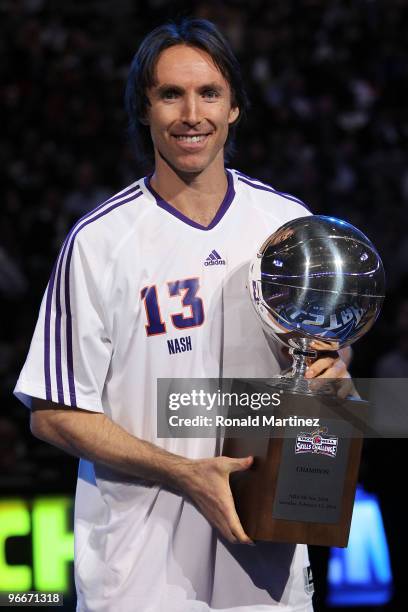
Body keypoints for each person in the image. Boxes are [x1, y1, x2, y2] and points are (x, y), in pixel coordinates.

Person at [15, 18, 351, 612]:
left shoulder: (286, 223)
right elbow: (53, 414)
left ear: (235, 108)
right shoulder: (99, 241)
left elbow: (320, 361)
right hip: (141, 573)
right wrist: (184, 472)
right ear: (144, 110)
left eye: (209, 93)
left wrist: (332, 376)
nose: (191, 114)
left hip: (267, 560)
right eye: (170, 94)